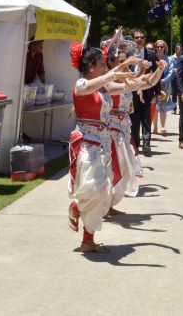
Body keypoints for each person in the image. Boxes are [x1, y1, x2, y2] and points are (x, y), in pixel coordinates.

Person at [67, 44, 139, 253]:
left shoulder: (103, 87)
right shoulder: (81, 84)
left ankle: (87, 240)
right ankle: (75, 207)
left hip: (103, 144)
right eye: (101, 64)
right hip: (87, 143)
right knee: (94, 186)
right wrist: (115, 72)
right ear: (90, 67)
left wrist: (150, 75)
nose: (104, 68)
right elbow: (88, 87)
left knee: (104, 192)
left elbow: (128, 87)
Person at [106, 45, 166, 215]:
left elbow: (149, 82)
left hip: (123, 130)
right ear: (111, 64)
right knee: (113, 168)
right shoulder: (106, 82)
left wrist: (159, 69)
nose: (126, 64)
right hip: (110, 132)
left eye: (126, 61)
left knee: (126, 168)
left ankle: (109, 204)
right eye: (121, 61)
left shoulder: (127, 81)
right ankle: (103, 205)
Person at [129, 30, 160, 156]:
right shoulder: (128, 54)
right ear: (133, 39)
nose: (139, 39)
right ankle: (135, 144)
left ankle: (146, 144)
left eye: (142, 37)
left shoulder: (151, 54)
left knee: (146, 118)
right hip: (132, 91)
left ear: (145, 39)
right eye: (137, 37)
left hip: (147, 91)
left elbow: (157, 73)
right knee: (134, 119)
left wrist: (157, 91)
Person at [153, 40, 177, 135]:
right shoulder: (152, 57)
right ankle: (155, 128)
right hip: (153, 84)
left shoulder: (169, 59)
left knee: (163, 106)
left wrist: (163, 80)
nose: (159, 48)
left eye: (161, 46)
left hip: (165, 85)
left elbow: (171, 72)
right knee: (154, 105)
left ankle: (163, 127)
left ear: (165, 48)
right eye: (158, 46)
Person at [171, 44, 183, 115]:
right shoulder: (171, 58)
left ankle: (181, 109)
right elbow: (169, 68)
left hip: (181, 79)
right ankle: (174, 109)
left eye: (181, 50)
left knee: (181, 94)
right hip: (173, 78)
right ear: (176, 50)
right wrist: (176, 70)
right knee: (174, 94)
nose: (180, 52)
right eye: (179, 50)